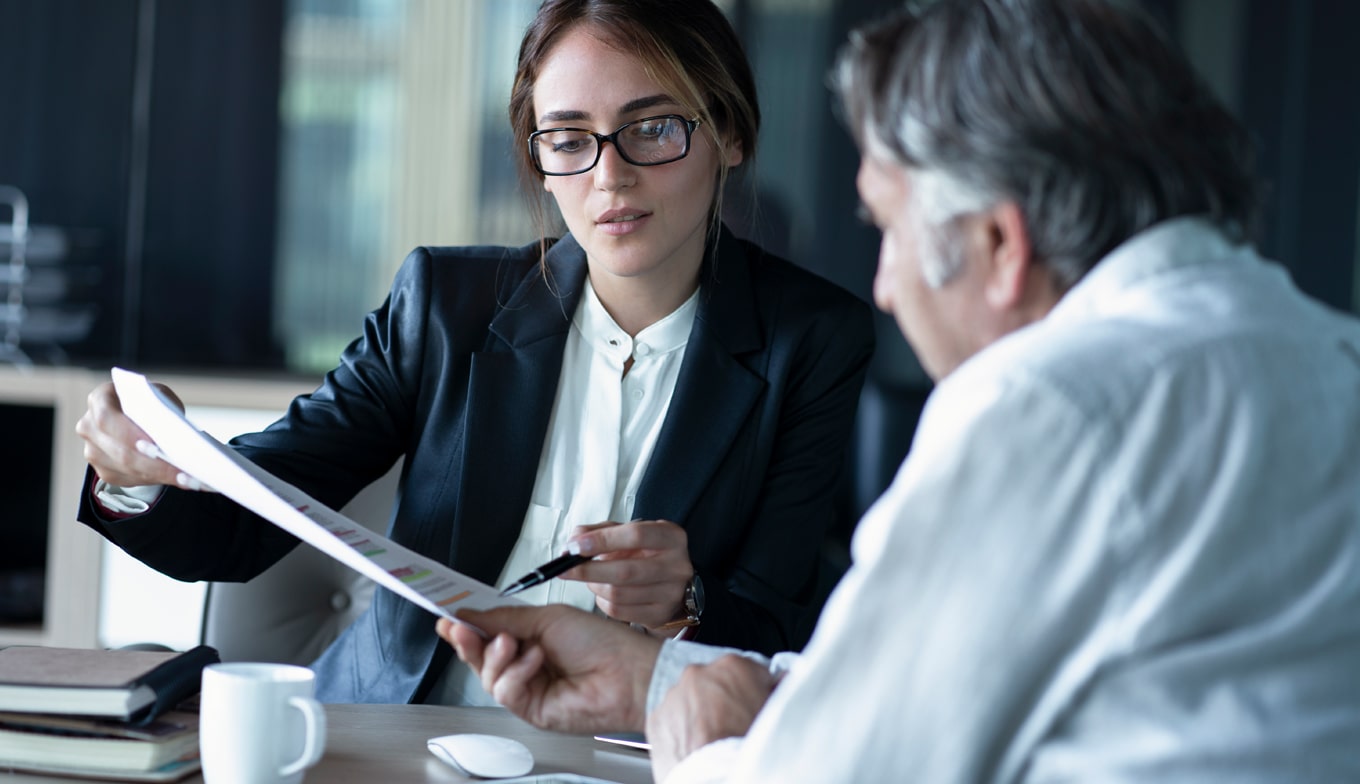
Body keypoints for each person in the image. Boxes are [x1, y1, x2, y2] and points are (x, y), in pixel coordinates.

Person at [438, 0, 1360, 780]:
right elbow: (936, 684)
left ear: (1000, 247)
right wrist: (658, 682)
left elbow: (844, 768)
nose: (883, 284)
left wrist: (697, 744)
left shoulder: (1048, 409)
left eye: (890, 227)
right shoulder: (1327, 356)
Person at [74, 0, 874, 706]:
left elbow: (784, 632)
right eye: (568, 139)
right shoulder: (444, 306)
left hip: (634, 755)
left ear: (728, 134)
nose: (611, 177)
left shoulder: (812, 340)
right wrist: (135, 472)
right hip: (397, 737)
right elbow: (241, 526)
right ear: (539, 159)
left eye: (653, 129)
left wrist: (687, 601)